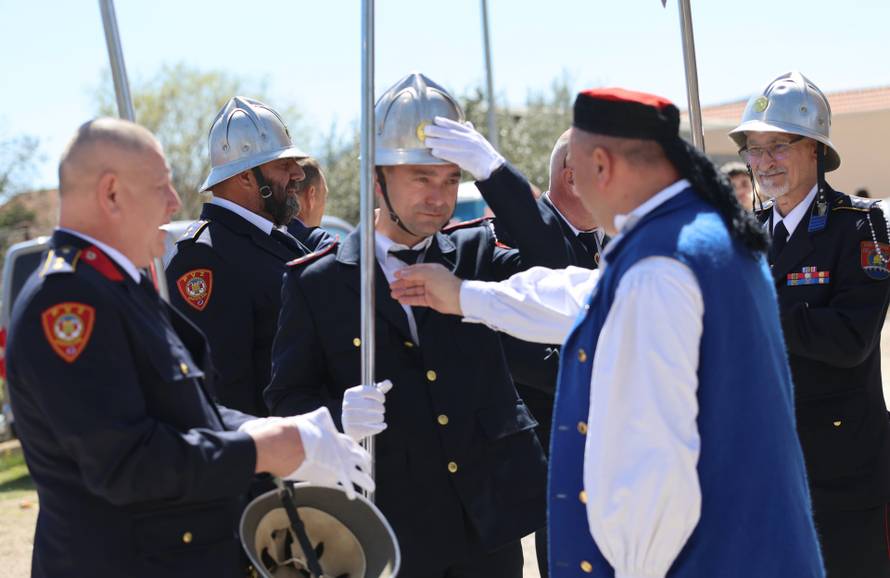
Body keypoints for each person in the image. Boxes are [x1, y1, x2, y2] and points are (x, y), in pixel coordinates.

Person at [391, 87, 824, 578]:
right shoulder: (690, 238)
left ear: (602, 165)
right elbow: (586, 295)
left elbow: (653, 471)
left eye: (575, 173)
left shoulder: (659, 269)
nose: (572, 190)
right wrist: (466, 297)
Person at [4, 118, 373, 578]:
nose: (176, 203)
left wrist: (289, 431)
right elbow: (127, 463)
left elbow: (194, 411)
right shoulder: (68, 302)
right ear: (112, 193)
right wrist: (261, 449)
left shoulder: (118, 287)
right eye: (162, 187)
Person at [265, 72, 570, 578]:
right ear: (378, 179)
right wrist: (337, 417)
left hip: (486, 527)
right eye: (422, 178)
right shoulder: (319, 283)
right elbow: (287, 397)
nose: (439, 197)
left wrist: (493, 171)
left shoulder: (474, 252)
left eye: (452, 179)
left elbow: (554, 260)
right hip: (396, 527)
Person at [729, 71, 890, 578]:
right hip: (763, 469)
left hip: (842, 474)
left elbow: (850, 339)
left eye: (778, 145)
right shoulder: (743, 234)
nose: (763, 162)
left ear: (815, 149)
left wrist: (756, 304)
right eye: (753, 149)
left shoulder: (861, 226)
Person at [166, 97, 328, 416]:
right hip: (274, 456)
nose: (297, 174)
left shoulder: (273, 239)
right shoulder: (204, 256)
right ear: (245, 177)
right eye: (283, 165)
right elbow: (223, 392)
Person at [494, 129, 603, 577]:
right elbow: (515, 344)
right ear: (573, 178)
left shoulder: (613, 236)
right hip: (554, 434)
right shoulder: (515, 234)